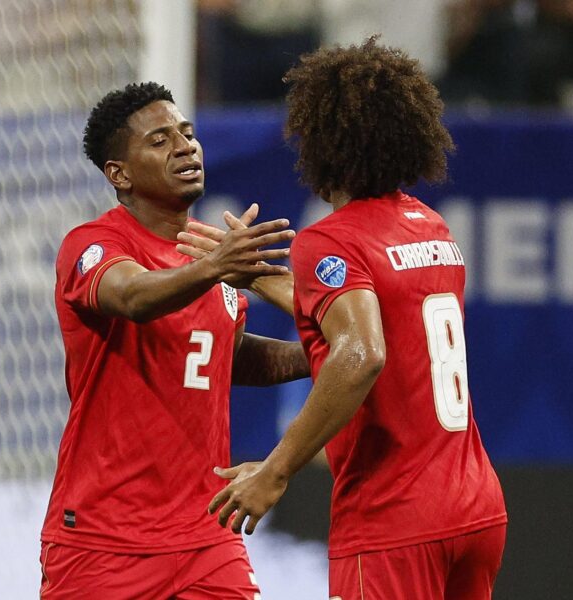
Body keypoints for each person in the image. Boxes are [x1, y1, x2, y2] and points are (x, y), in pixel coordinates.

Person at [208, 39, 507, 599]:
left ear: (321, 141)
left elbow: (362, 351)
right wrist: (256, 275)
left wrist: (275, 468)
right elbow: (371, 307)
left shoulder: (332, 239)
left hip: (395, 518)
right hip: (475, 506)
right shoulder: (431, 229)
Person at [39, 81, 308, 599]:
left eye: (187, 134)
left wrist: (314, 356)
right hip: (104, 541)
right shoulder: (93, 244)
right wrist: (215, 267)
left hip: (208, 537)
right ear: (119, 174)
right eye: (160, 141)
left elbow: (221, 354)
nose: (185, 147)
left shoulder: (209, 254)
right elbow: (134, 296)